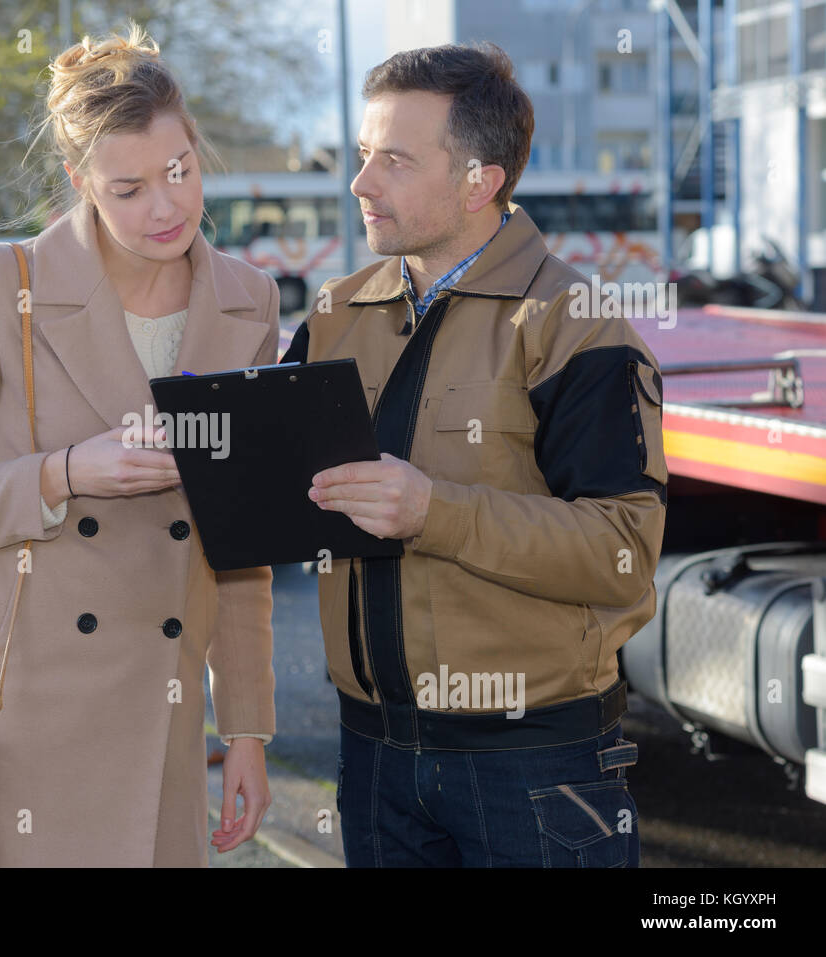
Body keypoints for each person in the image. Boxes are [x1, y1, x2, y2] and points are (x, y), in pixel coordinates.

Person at [0, 22, 279, 867]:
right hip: (20, 724)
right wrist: (62, 475)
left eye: (179, 172)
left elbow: (244, 545)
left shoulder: (249, 302)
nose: (165, 206)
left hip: (164, 732)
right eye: (127, 188)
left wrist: (245, 728)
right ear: (79, 182)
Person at [281, 42, 666, 867]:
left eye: (392, 159)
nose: (360, 183)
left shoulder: (577, 323)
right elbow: (280, 506)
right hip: (372, 758)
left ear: (479, 180)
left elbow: (623, 553)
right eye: (360, 155)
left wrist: (434, 512)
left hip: (534, 767)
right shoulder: (332, 318)